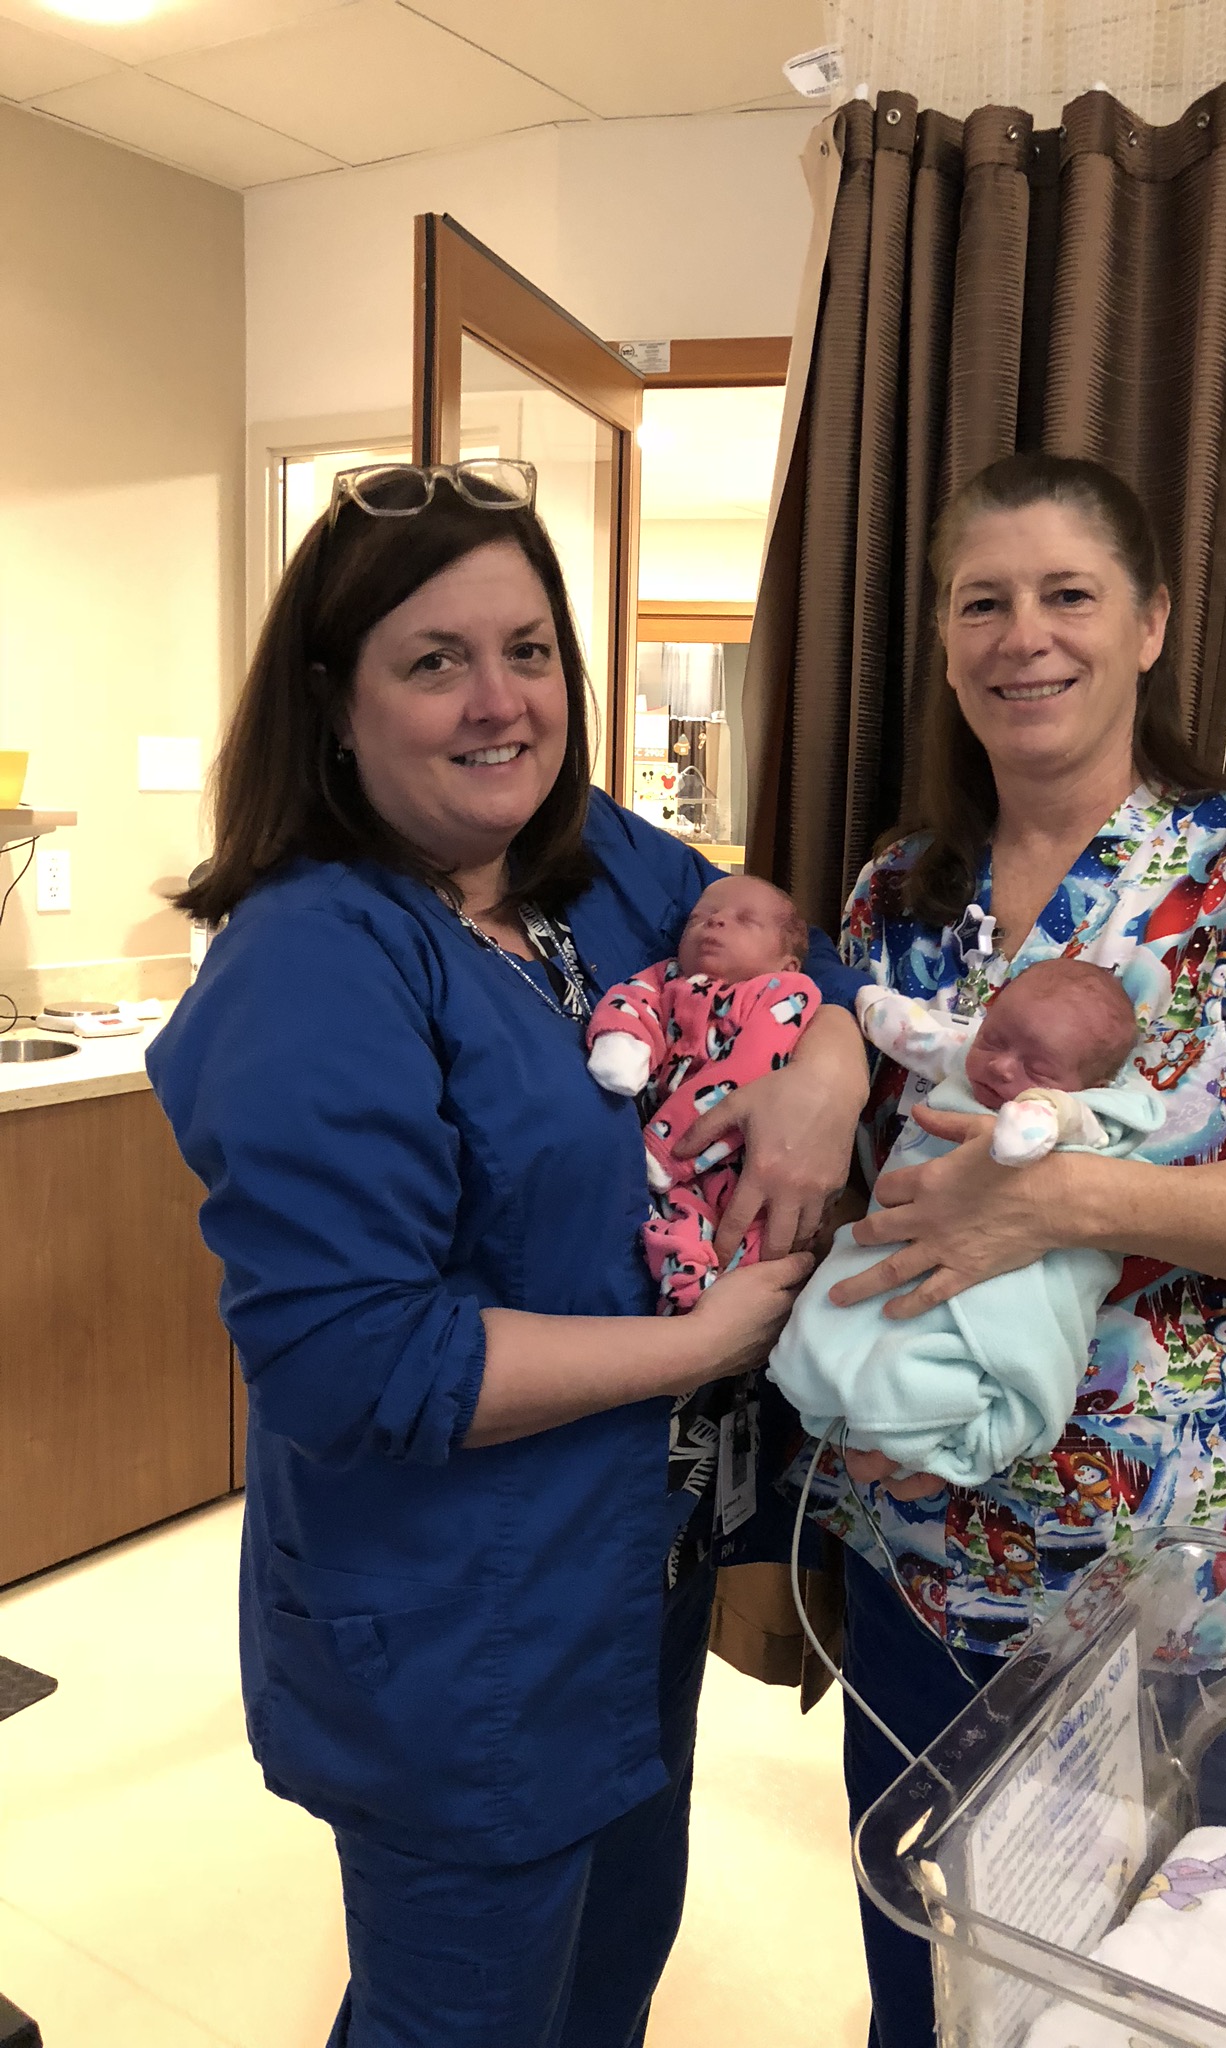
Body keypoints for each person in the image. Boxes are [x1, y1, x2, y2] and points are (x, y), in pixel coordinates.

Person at [146, 460, 869, 2048]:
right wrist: (708, 1341)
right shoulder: (317, 959)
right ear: (335, 704)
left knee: (607, 1988)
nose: (500, 703)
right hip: (458, 1643)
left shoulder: (599, 864)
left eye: (529, 651)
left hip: (627, 1595)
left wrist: (827, 1072)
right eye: (434, 660)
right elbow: (361, 1361)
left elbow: (804, 958)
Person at [792, 450, 1226, 2048]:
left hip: (1207, 1604)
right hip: (931, 1588)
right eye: (981, 601)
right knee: (946, 2010)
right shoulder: (898, 898)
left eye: (1069, 594)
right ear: (941, 642)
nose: (1025, 636)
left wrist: (1078, 1202)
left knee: (1208, 2016)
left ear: (1148, 625)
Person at [767, 960, 1164, 1487]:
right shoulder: (968, 1063)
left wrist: (1039, 1114)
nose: (1001, 1068)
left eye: (1038, 1069)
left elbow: (1071, 1123)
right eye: (994, 1039)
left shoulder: (1093, 1112)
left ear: (1094, 1081)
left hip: (1012, 1277)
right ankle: (841, 1394)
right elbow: (917, 1035)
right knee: (832, 1326)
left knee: (946, 1358)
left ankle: (939, 1423)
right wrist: (865, 1006)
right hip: (900, 1241)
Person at [586, 873, 821, 1312]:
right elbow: (630, 1001)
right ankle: (685, 1291)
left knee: (752, 1239)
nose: (714, 924)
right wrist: (624, 1043)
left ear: (787, 963)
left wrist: (665, 1146)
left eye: (744, 921)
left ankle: (724, 1309)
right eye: (701, 917)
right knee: (676, 1223)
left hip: (739, 1153)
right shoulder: (667, 978)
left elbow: (747, 1070)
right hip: (670, 1172)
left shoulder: (785, 991)